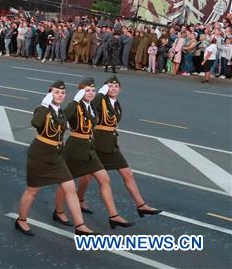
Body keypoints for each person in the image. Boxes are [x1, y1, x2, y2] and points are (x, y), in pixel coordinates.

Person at [15, 81, 97, 236]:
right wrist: (44, 104)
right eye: (56, 92)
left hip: (56, 155)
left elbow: (73, 116)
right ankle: (21, 220)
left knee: (70, 187)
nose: (60, 95)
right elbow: (36, 123)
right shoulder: (42, 109)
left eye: (62, 93)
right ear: (49, 94)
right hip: (40, 155)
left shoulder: (61, 112)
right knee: (32, 191)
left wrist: (76, 101)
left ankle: (80, 226)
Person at [52, 78, 133, 230]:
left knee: (105, 179)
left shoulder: (92, 107)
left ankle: (113, 215)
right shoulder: (76, 106)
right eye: (86, 90)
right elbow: (63, 118)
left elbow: (104, 108)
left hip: (89, 149)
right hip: (74, 150)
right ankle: (58, 211)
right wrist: (74, 102)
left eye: (92, 90)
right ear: (80, 92)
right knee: (66, 183)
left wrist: (101, 95)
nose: (90, 93)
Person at [77, 76, 162, 219]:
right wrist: (101, 93)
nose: (113, 88)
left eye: (116, 86)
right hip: (97, 144)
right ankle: (79, 199)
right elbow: (91, 105)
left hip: (111, 145)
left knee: (127, 173)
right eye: (110, 86)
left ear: (120, 89)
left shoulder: (117, 104)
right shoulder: (100, 100)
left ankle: (141, 205)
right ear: (105, 89)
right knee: (87, 176)